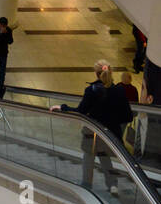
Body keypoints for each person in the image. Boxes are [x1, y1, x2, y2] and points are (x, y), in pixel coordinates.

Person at [52, 60, 132, 193]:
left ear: (96, 73)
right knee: (105, 157)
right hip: (110, 134)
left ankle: (86, 184)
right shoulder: (119, 90)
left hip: (93, 131)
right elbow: (128, 116)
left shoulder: (91, 90)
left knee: (89, 157)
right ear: (110, 71)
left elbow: (80, 111)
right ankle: (113, 185)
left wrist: (62, 107)